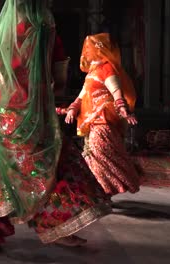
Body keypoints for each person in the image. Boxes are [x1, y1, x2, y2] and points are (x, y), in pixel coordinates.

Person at [0, 0, 111, 254]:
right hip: (36, 118)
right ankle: (59, 228)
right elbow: (61, 80)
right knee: (53, 169)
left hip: (6, 118)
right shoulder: (48, 30)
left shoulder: (4, 33)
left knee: (2, 173)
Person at [64, 32, 141, 195]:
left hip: (105, 120)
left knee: (101, 154)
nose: (87, 51)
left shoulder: (107, 68)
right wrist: (72, 109)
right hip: (93, 122)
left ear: (100, 49)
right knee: (95, 156)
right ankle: (103, 191)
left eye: (90, 48)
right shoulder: (92, 72)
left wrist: (124, 111)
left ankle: (104, 190)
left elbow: (117, 92)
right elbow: (82, 96)